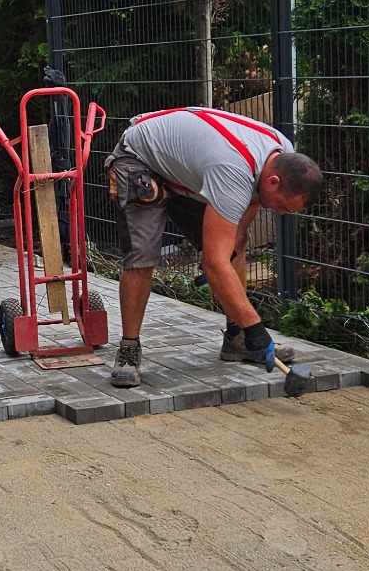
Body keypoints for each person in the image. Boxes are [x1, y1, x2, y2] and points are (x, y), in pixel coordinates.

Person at [103, 106, 324, 386]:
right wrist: (256, 327)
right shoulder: (233, 171)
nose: (280, 213)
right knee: (142, 256)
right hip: (139, 158)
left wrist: (226, 253)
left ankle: (236, 338)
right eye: (282, 206)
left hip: (185, 169)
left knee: (237, 245)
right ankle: (129, 349)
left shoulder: (283, 153)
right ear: (274, 180)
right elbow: (215, 262)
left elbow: (253, 201)